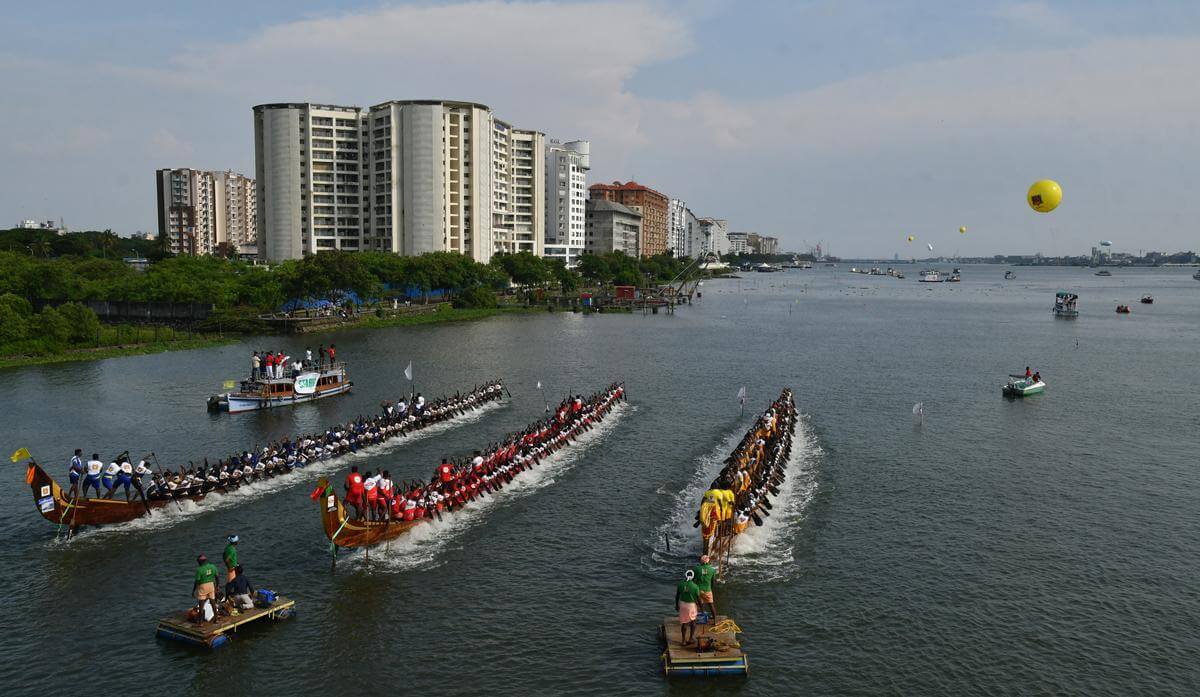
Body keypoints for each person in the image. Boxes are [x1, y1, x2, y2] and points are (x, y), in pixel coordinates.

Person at [675, 569, 702, 646]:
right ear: (693, 577)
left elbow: (677, 596)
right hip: (691, 606)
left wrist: (676, 605)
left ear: (685, 576)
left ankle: (683, 640)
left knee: (684, 623)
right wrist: (701, 608)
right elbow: (699, 599)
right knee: (693, 621)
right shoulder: (695, 586)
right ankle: (690, 638)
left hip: (682, 605)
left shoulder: (680, 584)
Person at [193, 554, 219, 622]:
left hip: (203, 586)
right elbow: (217, 576)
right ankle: (216, 619)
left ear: (201, 561)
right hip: (211, 585)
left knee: (201, 605)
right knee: (213, 603)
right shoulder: (212, 566)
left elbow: (197, 581)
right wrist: (217, 586)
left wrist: (194, 590)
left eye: (198, 561)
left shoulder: (199, 569)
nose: (198, 563)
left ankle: (200, 622)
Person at [692, 554, 718, 622]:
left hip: (698, 590)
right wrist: (711, 588)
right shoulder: (712, 570)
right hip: (707, 590)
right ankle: (715, 620)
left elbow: (693, 580)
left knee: (697, 605)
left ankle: (694, 620)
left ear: (701, 561)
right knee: (711, 605)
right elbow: (713, 581)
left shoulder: (696, 569)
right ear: (708, 561)